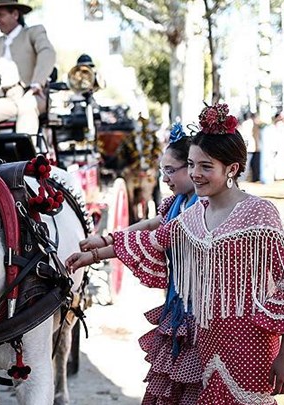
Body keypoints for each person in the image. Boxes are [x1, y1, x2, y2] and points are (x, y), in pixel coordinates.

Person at [67, 103, 284, 405]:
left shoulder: (260, 213)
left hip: (253, 342)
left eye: (206, 166)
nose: (195, 174)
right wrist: (94, 254)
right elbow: (154, 239)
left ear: (231, 169)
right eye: (191, 165)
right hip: (208, 338)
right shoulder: (193, 215)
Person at [81, 122, 201, 403]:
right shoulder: (178, 202)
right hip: (178, 300)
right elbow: (152, 224)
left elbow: (155, 238)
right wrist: (105, 239)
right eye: (163, 171)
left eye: (171, 171)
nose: (165, 179)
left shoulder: (200, 206)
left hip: (199, 308)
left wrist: (96, 253)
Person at [0, 0, 56, 135]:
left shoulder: (33, 33)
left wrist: (37, 82)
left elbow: (47, 52)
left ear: (15, 14)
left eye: (1, 15)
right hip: (9, 98)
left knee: (26, 106)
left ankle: (27, 156)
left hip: (33, 94)